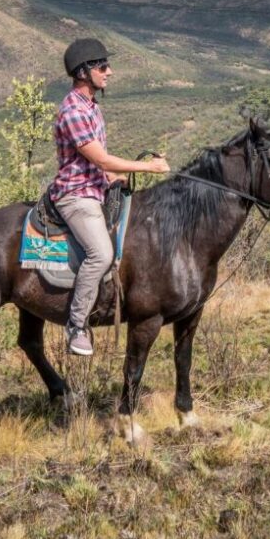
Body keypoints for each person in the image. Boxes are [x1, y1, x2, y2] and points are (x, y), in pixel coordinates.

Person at [51, 38, 170, 356]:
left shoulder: (92, 107)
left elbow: (95, 163)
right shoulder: (73, 111)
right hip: (76, 196)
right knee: (101, 254)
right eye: (102, 66)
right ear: (83, 72)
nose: (109, 71)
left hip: (95, 188)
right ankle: (77, 325)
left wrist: (112, 178)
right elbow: (101, 159)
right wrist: (148, 167)